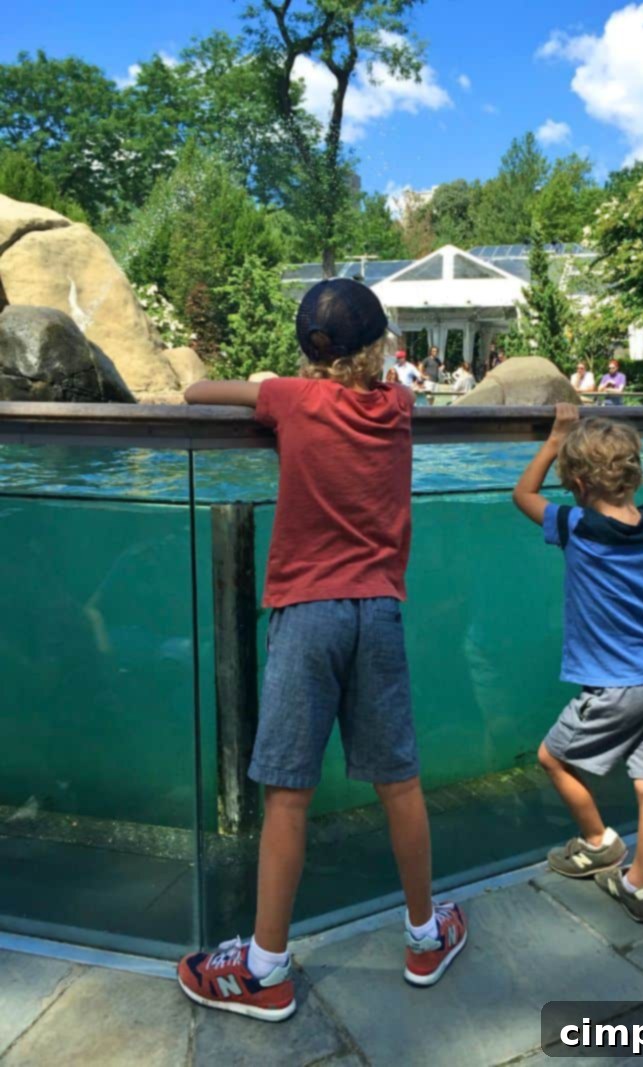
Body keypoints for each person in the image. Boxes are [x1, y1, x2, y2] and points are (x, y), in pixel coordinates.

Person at [177, 279, 467, 1021]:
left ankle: (265, 967)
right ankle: (425, 935)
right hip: (379, 611)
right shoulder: (400, 406)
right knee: (399, 781)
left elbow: (195, 391)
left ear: (309, 350)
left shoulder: (290, 400)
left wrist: (273, 384)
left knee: (288, 793)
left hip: (307, 614)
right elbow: (390, 387)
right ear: (381, 346)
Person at [512, 405, 643, 923]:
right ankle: (640, 886)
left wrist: (552, 441)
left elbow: (523, 495)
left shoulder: (578, 527)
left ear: (580, 484)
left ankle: (598, 842)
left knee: (552, 758)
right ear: (634, 473)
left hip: (616, 687)